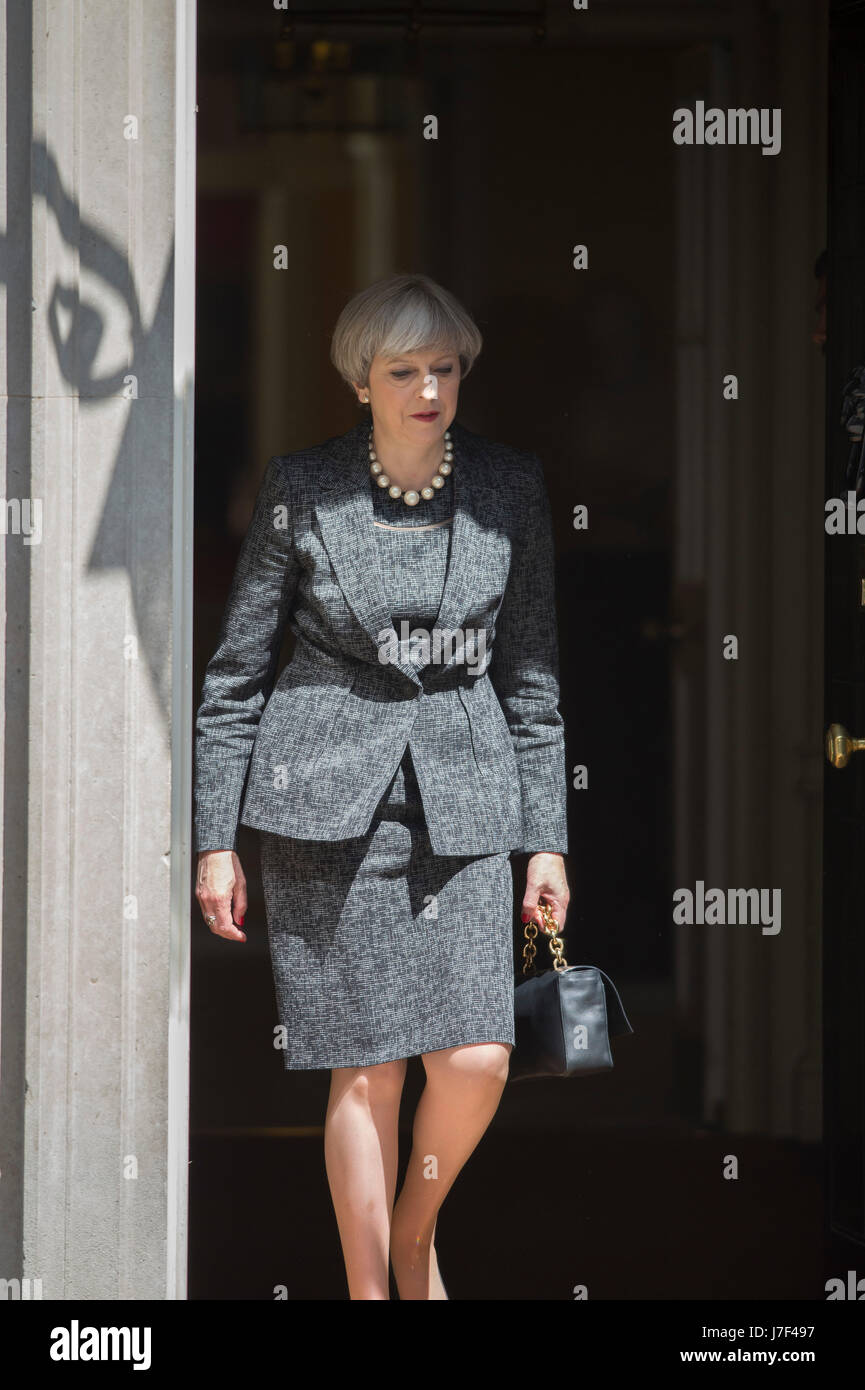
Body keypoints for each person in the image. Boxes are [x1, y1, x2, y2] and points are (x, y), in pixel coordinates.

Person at [193, 272, 570, 1300]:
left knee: (477, 1058)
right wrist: (214, 838)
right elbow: (235, 672)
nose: (426, 389)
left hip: (465, 793)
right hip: (322, 799)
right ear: (361, 380)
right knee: (367, 1067)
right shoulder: (299, 487)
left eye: (443, 368)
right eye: (402, 371)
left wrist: (547, 839)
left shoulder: (508, 486)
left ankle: (415, 1239)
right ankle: (371, 1295)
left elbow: (530, 672)